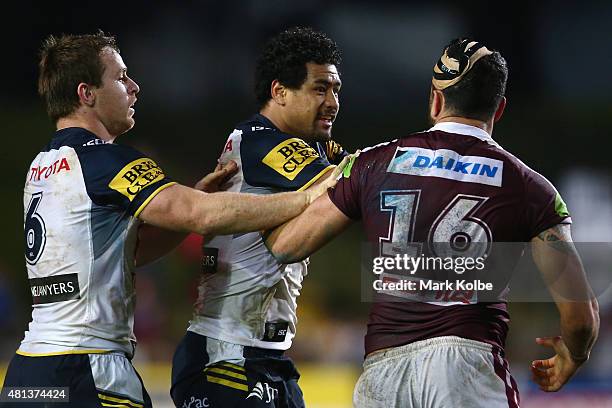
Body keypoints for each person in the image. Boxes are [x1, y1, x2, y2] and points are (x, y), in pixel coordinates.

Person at [0, 32, 341, 408]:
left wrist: (195, 201)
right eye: (120, 77)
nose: (134, 87)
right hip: (86, 369)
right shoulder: (107, 161)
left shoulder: (43, 167)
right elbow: (200, 213)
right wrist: (307, 197)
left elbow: (130, 251)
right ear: (87, 93)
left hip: (28, 372)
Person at [265, 38, 600, 407]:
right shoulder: (530, 187)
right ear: (499, 108)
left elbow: (285, 247)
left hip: (384, 372)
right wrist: (574, 353)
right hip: (467, 368)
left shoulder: (372, 163)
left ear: (436, 100)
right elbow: (580, 315)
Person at [170, 27, 345, 408]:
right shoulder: (262, 142)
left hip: (265, 355)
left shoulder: (287, 144)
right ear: (280, 91)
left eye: (335, 90)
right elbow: (345, 183)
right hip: (226, 354)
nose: (332, 102)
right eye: (320, 89)